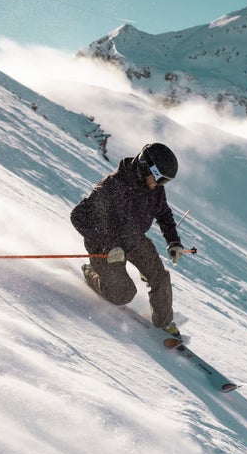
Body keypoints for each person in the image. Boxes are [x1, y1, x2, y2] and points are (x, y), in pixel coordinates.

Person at [71, 142, 188, 337]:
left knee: (160, 277)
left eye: (165, 182)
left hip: (133, 240)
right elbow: (78, 216)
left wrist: (173, 241)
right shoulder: (112, 186)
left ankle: (165, 323)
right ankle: (92, 273)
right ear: (145, 166)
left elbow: (164, 214)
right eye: (159, 179)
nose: (159, 185)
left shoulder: (154, 188)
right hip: (105, 248)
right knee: (123, 294)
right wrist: (108, 244)